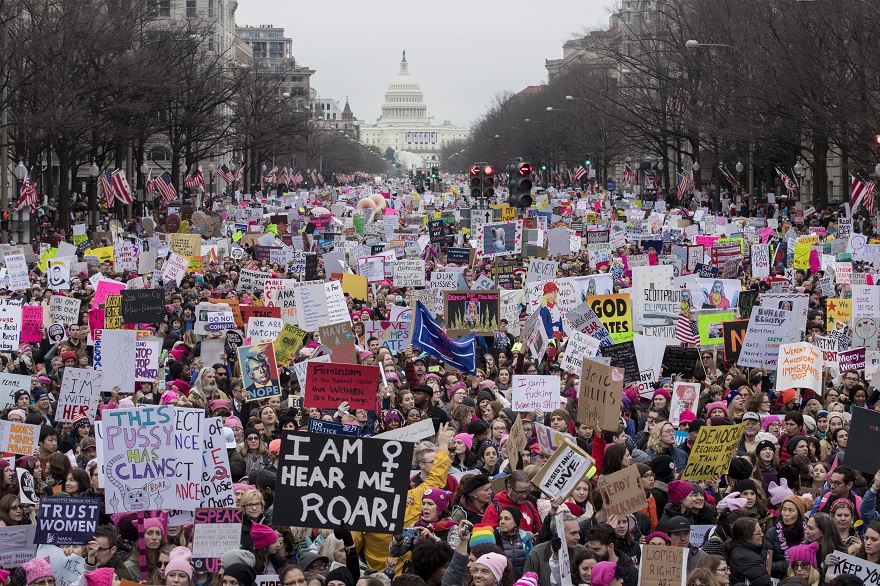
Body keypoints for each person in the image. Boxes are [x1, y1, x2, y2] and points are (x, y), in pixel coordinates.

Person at [524, 511, 586, 586]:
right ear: (559, 533)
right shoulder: (537, 553)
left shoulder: (582, 552)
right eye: (573, 533)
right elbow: (526, 582)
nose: (578, 537)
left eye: (578, 532)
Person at [725, 517, 771, 586]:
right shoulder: (749, 558)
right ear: (747, 538)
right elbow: (765, 584)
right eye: (758, 533)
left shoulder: (736, 549)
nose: (762, 534)